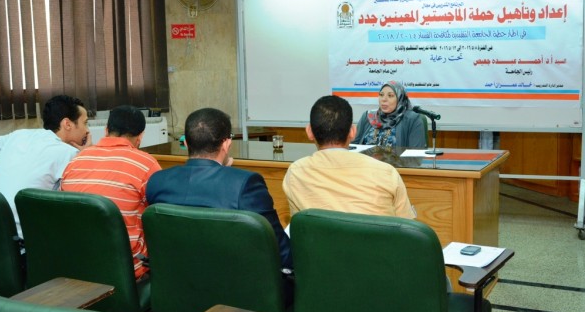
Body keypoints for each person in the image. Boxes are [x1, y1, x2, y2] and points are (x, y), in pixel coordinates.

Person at [146, 107, 293, 271]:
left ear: (185, 143)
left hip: (175, 280)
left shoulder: (157, 181)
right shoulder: (246, 184)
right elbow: (280, 251)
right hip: (235, 283)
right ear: (226, 144)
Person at [60, 105, 161, 279]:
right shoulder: (146, 164)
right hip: (126, 270)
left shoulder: (75, 161)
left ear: (106, 130)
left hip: (77, 264)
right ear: (140, 137)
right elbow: (159, 215)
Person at [283, 95, 415, 219]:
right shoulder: (386, 173)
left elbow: (297, 224)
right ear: (352, 132)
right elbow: (407, 226)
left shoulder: (296, 172)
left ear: (309, 132)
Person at [0, 95, 90, 237]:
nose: (87, 130)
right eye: (85, 123)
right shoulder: (70, 153)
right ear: (67, 124)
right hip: (21, 239)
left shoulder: (19, 135)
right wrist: (87, 155)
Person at [351, 80, 427, 148]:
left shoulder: (412, 120)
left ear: (400, 98)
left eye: (390, 95)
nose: (384, 99)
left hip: (397, 160)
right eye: (381, 95)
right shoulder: (369, 116)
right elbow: (353, 146)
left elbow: (415, 154)